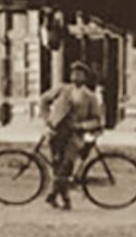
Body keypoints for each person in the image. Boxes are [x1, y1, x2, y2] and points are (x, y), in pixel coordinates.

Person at [39, 61, 104, 209]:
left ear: (85, 77)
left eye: (79, 73)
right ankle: (64, 199)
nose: (75, 76)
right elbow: (44, 100)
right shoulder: (62, 89)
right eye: (73, 73)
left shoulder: (90, 97)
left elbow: (97, 120)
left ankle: (53, 195)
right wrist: (47, 119)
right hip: (57, 132)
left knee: (67, 164)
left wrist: (81, 126)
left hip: (75, 135)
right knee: (57, 165)